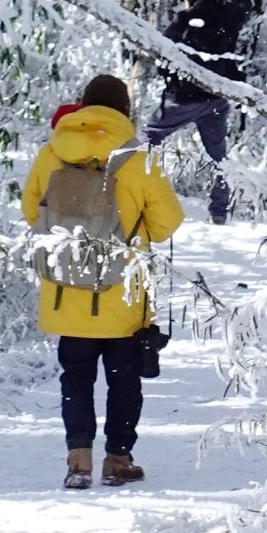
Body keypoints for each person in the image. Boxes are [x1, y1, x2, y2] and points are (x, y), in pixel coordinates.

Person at [19, 73, 184, 490]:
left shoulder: (52, 152)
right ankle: (118, 459)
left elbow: (30, 210)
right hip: (121, 293)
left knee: (75, 377)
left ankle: (78, 461)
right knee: (123, 378)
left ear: (84, 105)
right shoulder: (136, 158)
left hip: (65, 290)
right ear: (124, 111)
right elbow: (166, 225)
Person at [145, 0, 261, 223]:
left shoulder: (189, 17)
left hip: (183, 96)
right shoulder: (231, 14)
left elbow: (163, 44)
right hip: (217, 96)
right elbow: (246, 3)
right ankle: (219, 211)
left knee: (147, 139)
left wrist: (190, 6)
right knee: (218, 156)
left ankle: (124, 186)